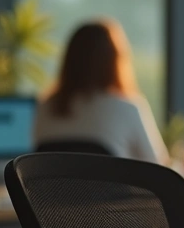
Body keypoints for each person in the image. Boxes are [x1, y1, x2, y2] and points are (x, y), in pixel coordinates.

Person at [33, 20, 168, 164]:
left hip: (54, 187)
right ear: (116, 61)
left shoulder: (44, 108)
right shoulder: (127, 109)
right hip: (114, 187)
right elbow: (158, 167)